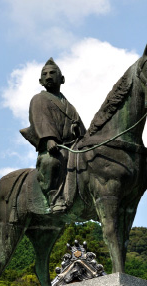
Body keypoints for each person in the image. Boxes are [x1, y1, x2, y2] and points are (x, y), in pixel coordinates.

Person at [20, 58, 86, 213]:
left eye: (52, 73)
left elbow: (82, 132)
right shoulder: (39, 99)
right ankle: (53, 198)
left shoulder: (70, 106)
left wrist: (77, 131)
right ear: (40, 80)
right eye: (45, 74)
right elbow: (41, 121)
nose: (49, 76)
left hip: (72, 147)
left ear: (62, 79)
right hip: (53, 147)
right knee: (52, 163)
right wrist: (49, 138)